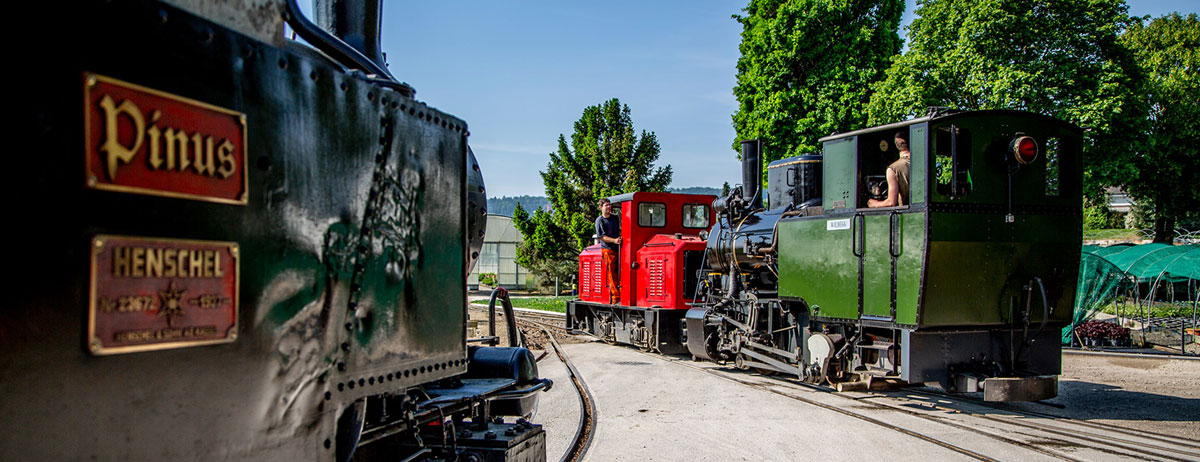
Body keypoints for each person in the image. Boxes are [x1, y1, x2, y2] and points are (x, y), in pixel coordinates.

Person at [868, 131, 911, 208]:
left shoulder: (893, 169)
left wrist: (874, 204)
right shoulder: (926, 162)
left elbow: (891, 202)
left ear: (896, 145)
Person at [595, 197, 622, 304]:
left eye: (610, 205)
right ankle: (616, 297)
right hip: (608, 249)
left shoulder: (615, 218)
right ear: (601, 207)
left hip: (619, 248)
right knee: (611, 272)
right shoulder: (599, 221)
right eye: (606, 205)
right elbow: (601, 237)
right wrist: (614, 240)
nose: (609, 207)